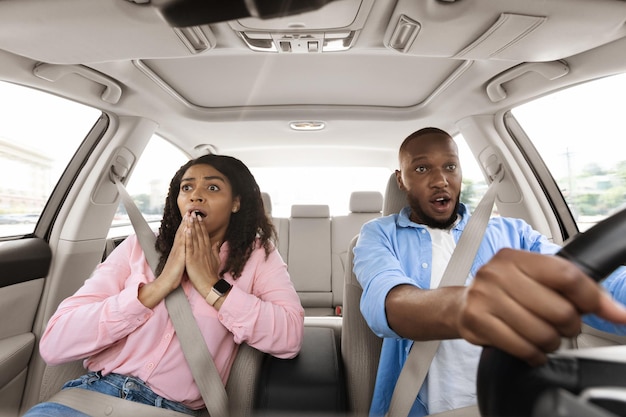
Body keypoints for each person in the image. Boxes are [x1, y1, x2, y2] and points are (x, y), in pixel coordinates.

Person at [353, 127, 626, 417]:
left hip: (512, 404)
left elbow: (579, 277)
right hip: (420, 409)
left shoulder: (513, 233)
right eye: (421, 168)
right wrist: (466, 306)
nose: (440, 180)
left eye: (450, 166)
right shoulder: (378, 235)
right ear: (401, 179)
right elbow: (387, 300)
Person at [24, 154, 305, 416]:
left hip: (169, 409)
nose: (195, 195)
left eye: (213, 188)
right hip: (90, 397)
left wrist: (212, 285)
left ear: (236, 203)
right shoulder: (139, 246)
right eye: (187, 188)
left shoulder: (257, 256)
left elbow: (289, 336)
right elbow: (54, 342)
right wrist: (158, 287)